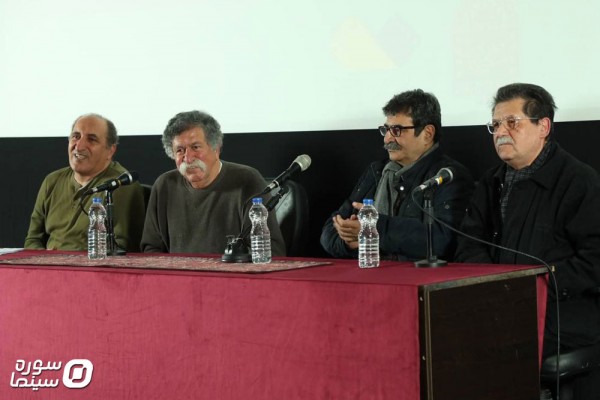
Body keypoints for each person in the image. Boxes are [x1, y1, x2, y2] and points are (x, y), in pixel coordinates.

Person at [455, 83, 600, 398]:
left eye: (512, 122)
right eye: (495, 124)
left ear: (543, 127)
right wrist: (493, 285)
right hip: (498, 307)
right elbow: (468, 245)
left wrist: (533, 286)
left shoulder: (579, 181)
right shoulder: (491, 183)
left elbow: (593, 261)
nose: (500, 132)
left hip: (562, 314)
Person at [320, 89, 474, 261]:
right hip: (374, 271)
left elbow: (442, 240)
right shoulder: (377, 171)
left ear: (427, 134)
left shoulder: (448, 176)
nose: (387, 139)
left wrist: (374, 229)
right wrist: (351, 242)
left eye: (397, 130)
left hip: (420, 276)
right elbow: (329, 233)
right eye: (386, 129)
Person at [141, 110, 286, 255]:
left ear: (216, 149)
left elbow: (270, 251)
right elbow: (151, 249)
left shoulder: (248, 181)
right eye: (180, 150)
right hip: (178, 270)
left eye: (196, 147)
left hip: (232, 269)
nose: (188, 158)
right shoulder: (164, 185)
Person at [24, 113, 145, 252]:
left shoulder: (120, 186)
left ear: (110, 151)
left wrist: (64, 260)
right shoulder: (52, 181)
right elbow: (33, 239)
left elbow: (120, 248)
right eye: (76, 136)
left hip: (92, 264)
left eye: (92, 139)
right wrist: (43, 258)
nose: (79, 146)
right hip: (48, 263)